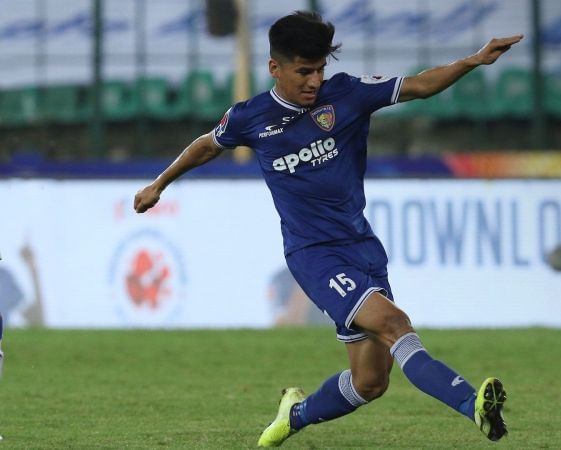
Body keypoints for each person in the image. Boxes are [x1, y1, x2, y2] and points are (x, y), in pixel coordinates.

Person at [134, 11, 521, 447]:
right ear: (274, 68)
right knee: (396, 324)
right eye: (303, 71)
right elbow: (207, 146)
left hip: (363, 247)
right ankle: (475, 405)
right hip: (314, 256)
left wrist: (473, 60)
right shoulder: (251, 117)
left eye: (319, 70)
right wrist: (159, 184)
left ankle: (292, 415)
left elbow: (419, 84)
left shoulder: (349, 95)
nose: (314, 81)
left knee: (370, 382)